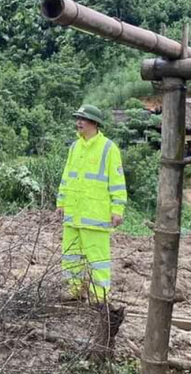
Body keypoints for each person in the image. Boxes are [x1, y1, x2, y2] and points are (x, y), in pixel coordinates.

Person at [55, 104, 126, 304]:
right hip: (73, 214)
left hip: (95, 215)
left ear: (94, 123)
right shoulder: (75, 147)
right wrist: (61, 202)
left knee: (98, 259)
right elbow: (67, 177)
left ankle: (99, 297)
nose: (79, 122)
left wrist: (117, 209)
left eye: (83, 119)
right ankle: (74, 290)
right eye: (77, 118)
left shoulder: (108, 148)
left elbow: (117, 182)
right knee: (71, 256)